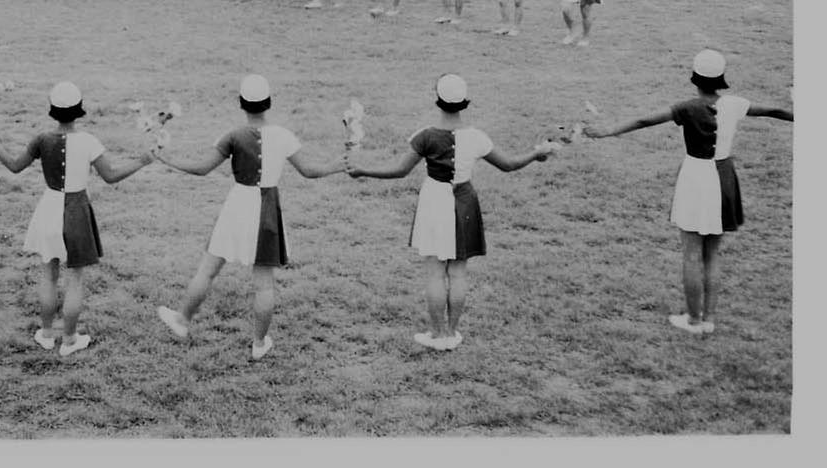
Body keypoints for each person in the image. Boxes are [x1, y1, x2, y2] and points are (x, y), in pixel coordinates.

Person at [584, 50, 793, 335]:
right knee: (712, 254)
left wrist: (607, 131)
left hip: (696, 178)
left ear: (695, 78)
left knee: (692, 253)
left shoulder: (687, 107)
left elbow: (645, 121)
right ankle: (708, 318)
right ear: (721, 79)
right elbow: (775, 111)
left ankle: (694, 320)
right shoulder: (735, 103)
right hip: (725, 177)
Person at [346, 73, 555, 350]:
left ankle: (437, 334)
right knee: (458, 272)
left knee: (435, 272)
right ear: (465, 102)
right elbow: (509, 165)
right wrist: (536, 153)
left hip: (434, 199)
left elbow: (399, 170)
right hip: (465, 201)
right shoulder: (477, 137)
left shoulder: (425, 136)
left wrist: (363, 170)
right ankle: (453, 333)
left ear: (438, 99)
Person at [155, 75, 345, 360]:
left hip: (237, 205)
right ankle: (259, 342)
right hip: (267, 208)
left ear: (241, 104)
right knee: (264, 283)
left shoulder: (233, 135)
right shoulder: (283, 135)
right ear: (269, 103)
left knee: (208, 269)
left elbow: (201, 168)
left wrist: (166, 158)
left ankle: (182, 320)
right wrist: (338, 166)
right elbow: (309, 171)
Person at [0, 81, 153, 357]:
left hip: (48, 209)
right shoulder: (88, 141)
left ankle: (47, 333)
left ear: (52, 110)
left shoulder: (41, 139)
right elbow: (111, 176)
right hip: (76, 211)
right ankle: (70, 339)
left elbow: (14, 166)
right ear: (79, 110)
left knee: (48, 275)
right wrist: (142, 161)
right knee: (75, 279)